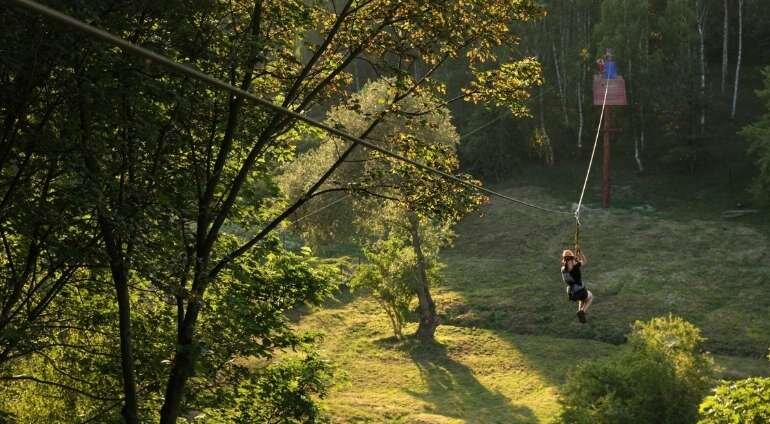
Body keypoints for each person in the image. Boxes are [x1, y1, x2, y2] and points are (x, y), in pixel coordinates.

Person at [561, 249, 593, 323]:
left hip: (572, 293)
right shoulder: (575, 266)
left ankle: (579, 311)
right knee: (590, 296)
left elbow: (569, 268)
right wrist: (580, 254)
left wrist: (575, 259)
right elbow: (584, 261)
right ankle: (582, 311)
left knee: (581, 299)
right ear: (571, 258)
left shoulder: (563, 269)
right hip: (580, 289)